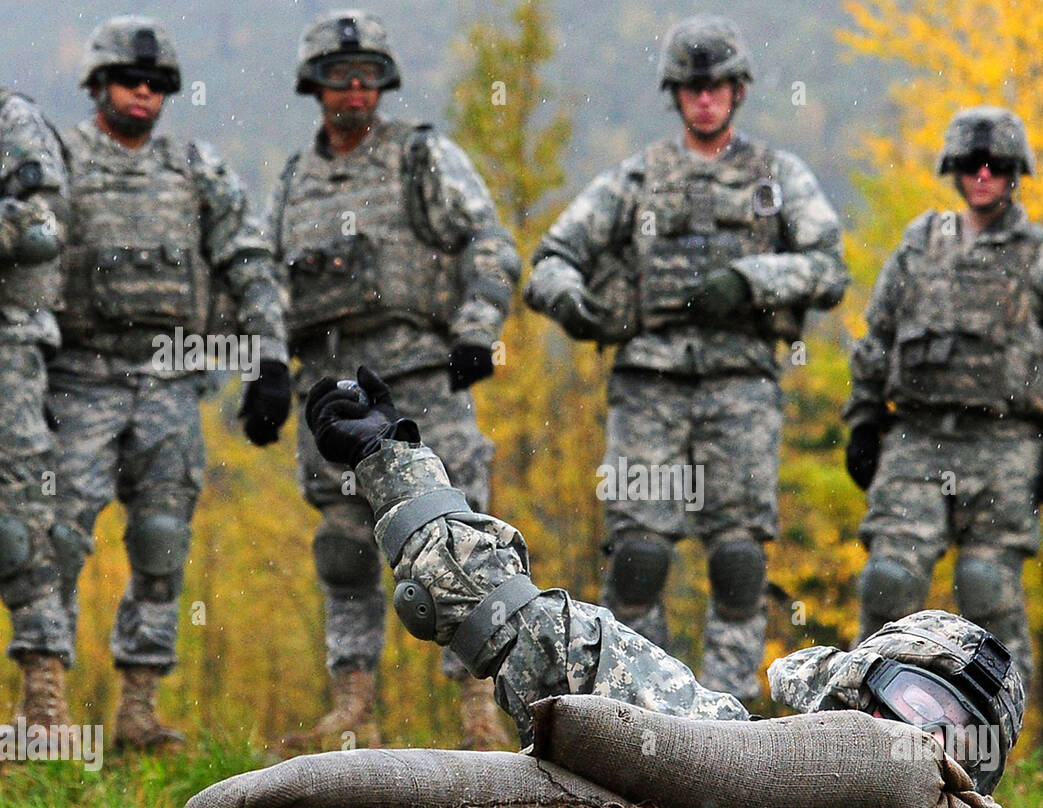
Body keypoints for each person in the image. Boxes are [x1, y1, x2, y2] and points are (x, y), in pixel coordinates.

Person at [303, 367, 1025, 795]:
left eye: (954, 736)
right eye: (912, 701)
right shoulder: (727, 755)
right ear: (859, 683)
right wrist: (397, 466)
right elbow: (523, 627)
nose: (919, 738)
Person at [525, 14, 847, 705]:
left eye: (717, 86)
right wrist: (575, 304)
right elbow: (550, 260)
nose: (705, 99)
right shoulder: (637, 178)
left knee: (737, 560)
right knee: (639, 557)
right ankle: (645, 706)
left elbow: (830, 268)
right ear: (676, 94)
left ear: (738, 91)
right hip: (649, 386)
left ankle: (731, 710)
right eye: (693, 87)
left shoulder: (778, 176)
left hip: (741, 386)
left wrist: (753, 282)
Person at [268, 9, 520, 752]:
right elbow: (270, 283)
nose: (355, 88)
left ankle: (480, 711)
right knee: (343, 548)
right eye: (341, 76)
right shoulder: (296, 180)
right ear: (315, 84)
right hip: (334, 388)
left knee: (455, 535)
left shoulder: (420, 158)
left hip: (420, 374)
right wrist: (267, 369)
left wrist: (477, 327)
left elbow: (490, 240)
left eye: (368, 75)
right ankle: (353, 708)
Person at [34, 16, 289, 749]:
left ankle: (138, 710)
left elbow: (247, 259)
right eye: (128, 81)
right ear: (99, 85)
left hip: (172, 379)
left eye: (154, 84)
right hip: (77, 376)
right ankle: (44, 703)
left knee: (161, 540)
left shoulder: (194, 167)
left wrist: (267, 358)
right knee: (55, 538)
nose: (142, 93)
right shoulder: (60, 162)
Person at [843, 106, 1043, 696]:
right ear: (954, 170)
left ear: (1014, 173)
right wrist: (862, 420)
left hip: (1006, 443)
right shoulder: (921, 244)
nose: (982, 175)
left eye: (996, 165)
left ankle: (998, 740)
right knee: (887, 582)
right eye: (970, 164)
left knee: (986, 589)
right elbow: (878, 332)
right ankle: (861, 725)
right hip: (917, 438)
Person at [0, 88, 73, 730]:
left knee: (19, 526)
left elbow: (43, 225)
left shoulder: (13, 120)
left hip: (8, 350)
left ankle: (43, 703)